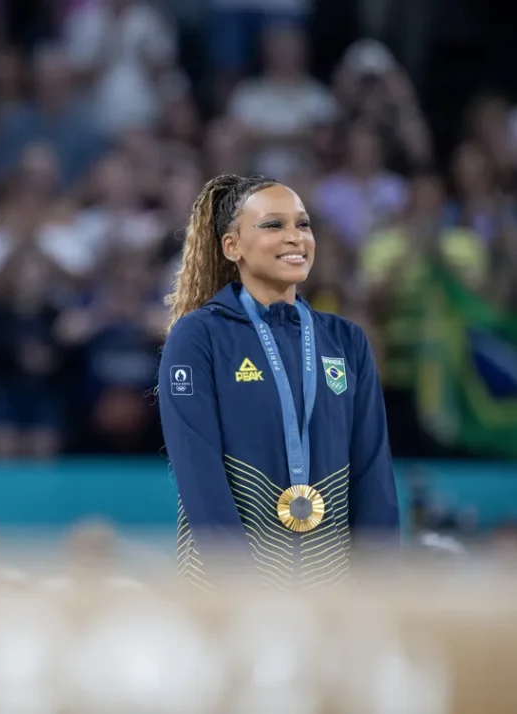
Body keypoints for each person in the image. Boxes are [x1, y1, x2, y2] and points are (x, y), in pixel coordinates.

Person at [158, 175, 399, 590]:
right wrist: (239, 587)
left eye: (303, 225)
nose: (295, 237)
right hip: (230, 596)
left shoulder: (346, 341)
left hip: (334, 597)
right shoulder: (199, 336)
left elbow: (372, 474)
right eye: (273, 225)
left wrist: (380, 588)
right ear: (232, 245)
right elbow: (199, 475)